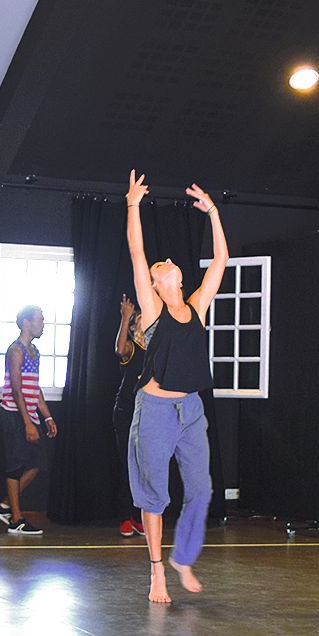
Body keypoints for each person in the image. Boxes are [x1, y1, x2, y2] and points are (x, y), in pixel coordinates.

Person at [124, 171, 228, 605]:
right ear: (155, 283)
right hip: (155, 411)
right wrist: (133, 204)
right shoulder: (152, 310)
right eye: (158, 267)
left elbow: (220, 260)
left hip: (191, 410)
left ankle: (183, 558)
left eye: (166, 263)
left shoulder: (197, 306)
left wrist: (213, 213)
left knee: (201, 489)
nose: (163, 261)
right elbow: (137, 250)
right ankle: (156, 572)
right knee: (155, 496)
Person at [0, 305, 56, 535]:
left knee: (36, 464)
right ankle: (16, 519)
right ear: (26, 322)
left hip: (28, 415)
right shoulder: (15, 351)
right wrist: (27, 422)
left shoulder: (34, 351)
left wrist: (47, 416)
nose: (43, 324)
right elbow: (16, 390)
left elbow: (34, 389)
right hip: (13, 415)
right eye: (39, 319)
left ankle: (5, 505)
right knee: (15, 465)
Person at [112, 293, 147, 538]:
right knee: (128, 465)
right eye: (140, 318)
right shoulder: (132, 348)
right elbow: (119, 348)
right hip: (126, 412)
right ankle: (125, 517)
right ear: (134, 326)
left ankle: (138, 516)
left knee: (144, 467)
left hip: (148, 414)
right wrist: (126, 317)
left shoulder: (154, 349)